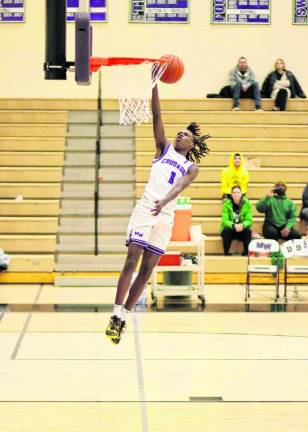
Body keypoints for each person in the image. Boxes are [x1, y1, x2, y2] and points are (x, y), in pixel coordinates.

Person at [105, 84, 210, 344]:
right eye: (179, 132)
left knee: (147, 271)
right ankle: (115, 314)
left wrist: (166, 200)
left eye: (185, 134)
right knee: (131, 261)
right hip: (147, 209)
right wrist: (154, 85)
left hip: (166, 215)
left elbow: (181, 185)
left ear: (192, 143)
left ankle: (124, 318)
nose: (180, 134)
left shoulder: (191, 167)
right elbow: (157, 115)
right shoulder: (163, 148)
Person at [220, 185, 253, 256]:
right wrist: (233, 225)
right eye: (234, 192)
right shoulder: (226, 204)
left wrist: (243, 225)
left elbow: (249, 220)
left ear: (241, 194)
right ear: (231, 195)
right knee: (225, 231)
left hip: (241, 229)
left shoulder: (247, 204)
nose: (236, 194)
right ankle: (226, 253)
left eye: (238, 192)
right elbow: (225, 220)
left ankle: (246, 253)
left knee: (248, 232)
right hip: (231, 228)